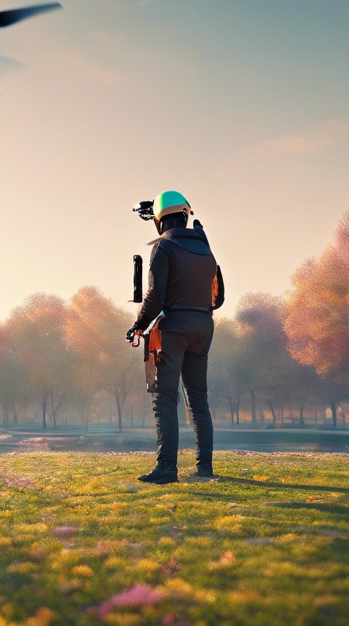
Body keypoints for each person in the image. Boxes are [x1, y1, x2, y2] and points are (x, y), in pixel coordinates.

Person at [126, 190, 222, 484]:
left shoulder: (163, 248)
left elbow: (155, 296)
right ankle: (204, 468)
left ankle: (167, 469)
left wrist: (138, 325)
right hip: (203, 327)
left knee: (165, 399)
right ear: (184, 214)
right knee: (198, 399)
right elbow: (218, 298)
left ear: (159, 221)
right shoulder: (206, 248)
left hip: (175, 329)